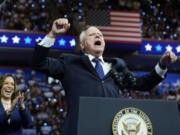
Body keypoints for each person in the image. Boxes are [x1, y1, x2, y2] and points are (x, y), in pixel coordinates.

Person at [32, 18, 177, 135]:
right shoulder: (69, 62)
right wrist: (52, 34)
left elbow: (142, 84)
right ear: (82, 45)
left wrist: (162, 65)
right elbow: (38, 62)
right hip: (78, 129)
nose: (98, 36)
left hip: (110, 129)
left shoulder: (117, 66)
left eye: (100, 35)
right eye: (92, 35)